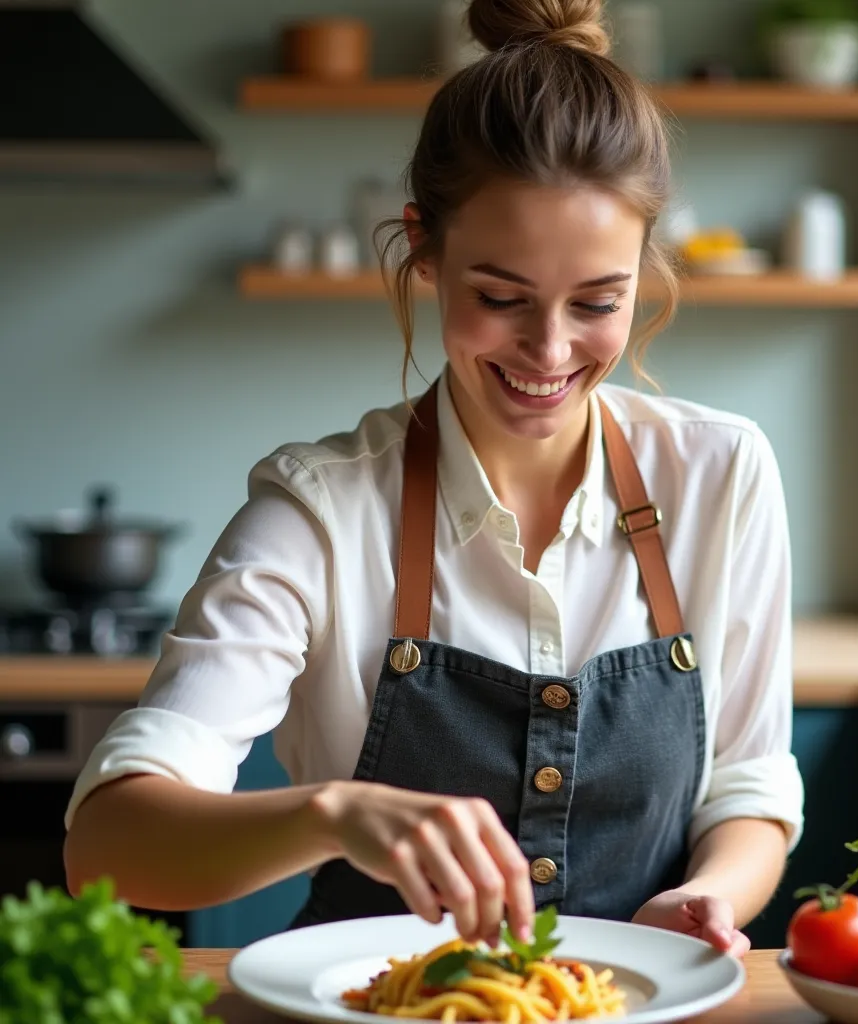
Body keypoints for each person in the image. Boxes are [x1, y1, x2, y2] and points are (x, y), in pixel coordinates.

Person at [63, 0, 804, 958]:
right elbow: (108, 849)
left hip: (637, 1009)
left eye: (597, 302)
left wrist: (710, 894)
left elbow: (750, 783)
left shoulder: (722, 473)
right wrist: (335, 814)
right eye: (501, 298)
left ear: (642, 270)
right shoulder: (323, 512)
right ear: (424, 247)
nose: (549, 349)